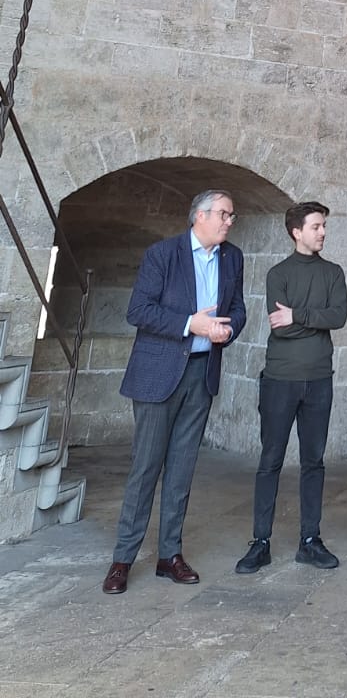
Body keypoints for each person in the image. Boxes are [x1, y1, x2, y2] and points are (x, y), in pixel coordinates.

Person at [101, 189, 245, 594]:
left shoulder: (233, 258)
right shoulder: (163, 254)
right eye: (224, 214)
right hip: (158, 374)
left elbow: (238, 309)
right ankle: (122, 559)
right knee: (146, 467)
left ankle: (169, 555)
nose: (229, 222)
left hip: (201, 373)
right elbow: (138, 310)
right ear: (200, 216)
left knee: (182, 469)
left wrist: (228, 329)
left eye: (231, 216)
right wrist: (190, 324)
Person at [235, 200, 347, 575]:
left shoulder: (333, 273)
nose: (323, 232)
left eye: (324, 226)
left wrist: (297, 315)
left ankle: (310, 541)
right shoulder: (278, 274)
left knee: (314, 461)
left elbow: (339, 317)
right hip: (280, 379)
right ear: (296, 232)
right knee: (270, 460)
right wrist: (314, 321)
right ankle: (260, 542)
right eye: (316, 226)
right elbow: (279, 329)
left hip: (319, 378)